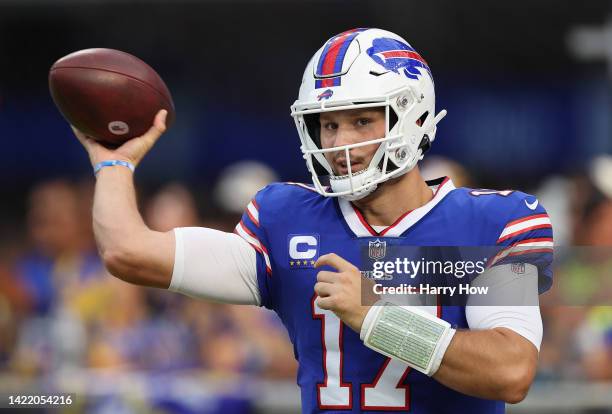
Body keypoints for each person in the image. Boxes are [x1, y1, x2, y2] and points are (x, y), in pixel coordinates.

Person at [72, 28, 553, 413]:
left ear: (412, 118)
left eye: (362, 121)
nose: (339, 143)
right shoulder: (285, 219)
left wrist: (375, 316)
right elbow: (127, 252)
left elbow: (511, 372)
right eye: (328, 124)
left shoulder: (500, 222)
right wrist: (114, 163)